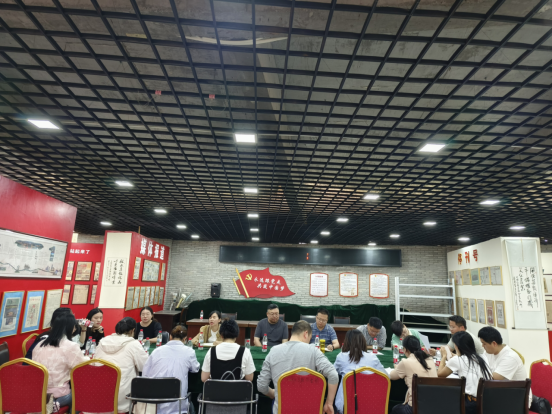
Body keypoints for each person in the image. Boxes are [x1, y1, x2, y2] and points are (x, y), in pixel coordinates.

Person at [258, 320, 338, 414]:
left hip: (282, 411)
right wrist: (329, 403)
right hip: (310, 410)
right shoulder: (313, 350)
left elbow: (261, 386)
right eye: (310, 338)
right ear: (306, 334)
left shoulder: (273, 351)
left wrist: (273, 393)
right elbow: (333, 375)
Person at [32, 312, 88, 408]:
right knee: (80, 394)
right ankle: (56, 404)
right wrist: (87, 359)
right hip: (58, 393)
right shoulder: (71, 346)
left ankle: (51, 404)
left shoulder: (40, 344)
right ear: (71, 328)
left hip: (37, 391)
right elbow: (81, 369)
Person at [95, 317, 149, 413]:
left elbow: (94, 364)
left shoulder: (102, 341)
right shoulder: (133, 344)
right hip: (122, 398)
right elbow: (144, 367)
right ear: (133, 330)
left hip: (99, 394)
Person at [143, 325, 200, 414]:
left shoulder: (157, 351)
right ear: (185, 339)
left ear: (170, 337)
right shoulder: (189, 351)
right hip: (178, 408)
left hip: (153, 406)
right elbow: (195, 369)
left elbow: (145, 374)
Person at [334, 329, 387, 414]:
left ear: (346, 342)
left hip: (345, 406)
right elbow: (385, 376)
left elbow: (334, 374)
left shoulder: (341, 357)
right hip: (371, 405)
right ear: (363, 341)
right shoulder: (372, 357)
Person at [437, 331, 492, 414]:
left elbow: (440, 374)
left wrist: (444, 357)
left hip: (470, 403)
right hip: (487, 401)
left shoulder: (457, 360)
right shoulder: (482, 357)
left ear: (456, 346)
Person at [390, 335, 437, 414]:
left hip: (415, 408)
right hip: (433, 407)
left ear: (405, 349)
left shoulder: (406, 362)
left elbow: (392, 376)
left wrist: (397, 367)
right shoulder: (430, 359)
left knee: (395, 409)